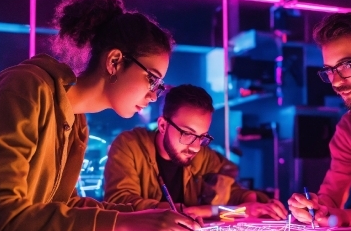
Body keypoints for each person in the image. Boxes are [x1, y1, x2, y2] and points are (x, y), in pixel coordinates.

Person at [0, 0, 199, 231]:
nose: (154, 95)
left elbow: (59, 206)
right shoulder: (24, 88)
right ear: (115, 61)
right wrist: (121, 224)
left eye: (159, 87)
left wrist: (141, 216)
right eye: (152, 80)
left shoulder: (75, 122)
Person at [104, 84, 288, 220]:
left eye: (202, 137)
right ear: (162, 125)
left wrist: (251, 200)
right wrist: (186, 211)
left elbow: (232, 196)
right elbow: (119, 204)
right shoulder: (129, 146)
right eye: (188, 134)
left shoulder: (203, 156)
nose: (195, 147)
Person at [288, 12, 351, 228]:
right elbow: (330, 199)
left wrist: (335, 216)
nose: (336, 82)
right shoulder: (349, 128)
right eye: (329, 71)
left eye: (346, 65)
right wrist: (315, 208)